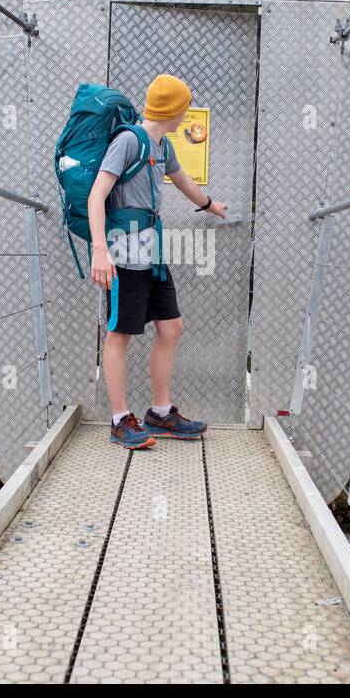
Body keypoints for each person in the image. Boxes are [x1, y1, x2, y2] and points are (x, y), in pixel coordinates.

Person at [88, 74, 228, 449]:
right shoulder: (128, 141)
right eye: (184, 107)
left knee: (171, 326)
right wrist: (100, 250)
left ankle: (160, 414)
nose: (185, 115)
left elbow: (182, 181)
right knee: (121, 334)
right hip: (122, 254)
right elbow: (96, 195)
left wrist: (209, 205)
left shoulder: (162, 146)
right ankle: (120, 421)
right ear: (176, 110)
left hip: (152, 254)